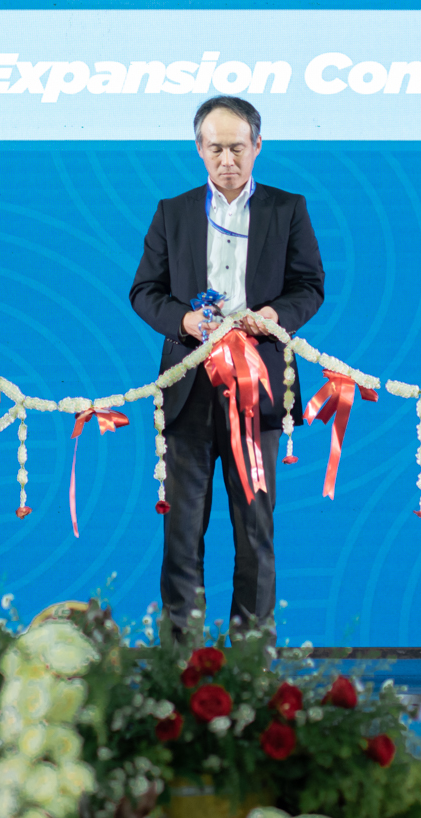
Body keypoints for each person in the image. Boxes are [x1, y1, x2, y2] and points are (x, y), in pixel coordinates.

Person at [129, 96, 325, 632]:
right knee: (182, 532)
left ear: (258, 146)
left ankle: (252, 655)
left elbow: (309, 286)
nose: (227, 160)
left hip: (258, 388)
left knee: (255, 531)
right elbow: (144, 291)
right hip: (188, 388)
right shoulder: (173, 211)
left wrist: (275, 316)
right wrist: (184, 321)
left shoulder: (287, 209)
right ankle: (181, 655)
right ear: (199, 148)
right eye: (215, 148)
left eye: (238, 148)